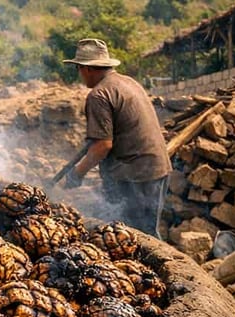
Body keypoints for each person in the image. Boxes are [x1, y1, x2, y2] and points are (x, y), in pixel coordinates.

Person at [62, 38, 171, 238]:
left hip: (135, 175)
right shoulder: (128, 82)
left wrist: (76, 174)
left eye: (78, 68)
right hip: (157, 168)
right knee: (145, 232)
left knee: (133, 238)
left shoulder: (98, 95)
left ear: (87, 68)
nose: (79, 74)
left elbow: (102, 145)